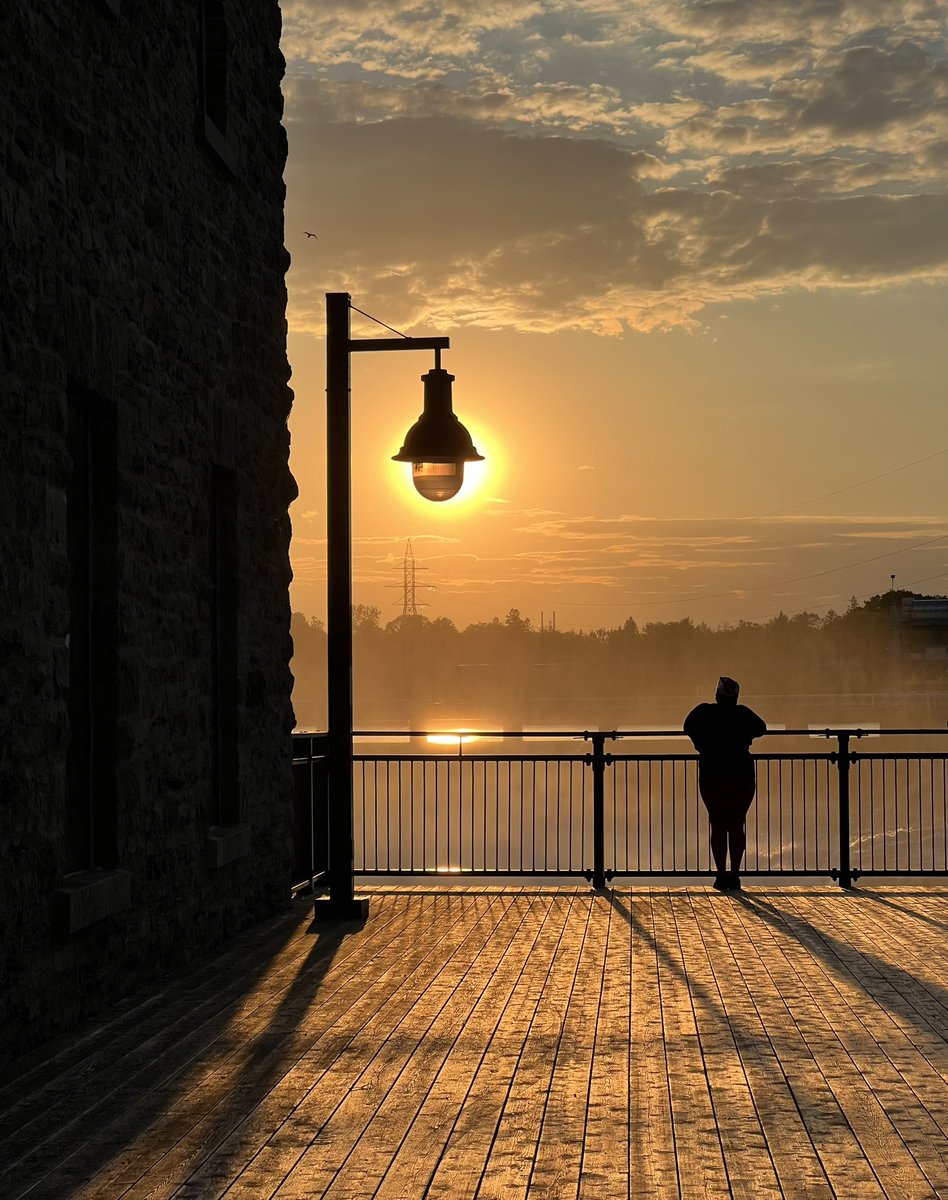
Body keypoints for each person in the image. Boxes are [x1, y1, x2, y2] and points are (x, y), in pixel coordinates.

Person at [684, 677, 766, 891]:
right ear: (736, 697)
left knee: (718, 824)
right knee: (737, 823)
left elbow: (687, 726)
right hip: (741, 774)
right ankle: (735, 874)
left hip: (712, 773)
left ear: (717, 695)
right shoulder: (742, 714)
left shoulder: (704, 712)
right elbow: (761, 728)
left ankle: (721, 874)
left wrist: (701, 744)